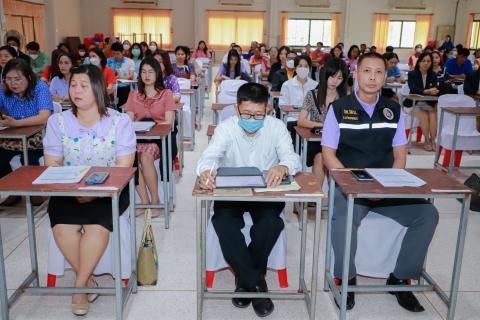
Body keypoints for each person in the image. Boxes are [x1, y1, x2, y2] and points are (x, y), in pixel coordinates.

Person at [322, 52, 439, 313]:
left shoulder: (392, 109)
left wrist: (387, 186)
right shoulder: (339, 109)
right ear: (356, 74)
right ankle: (346, 278)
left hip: (386, 187)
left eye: (378, 72)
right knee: (343, 218)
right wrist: (355, 186)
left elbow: (400, 155)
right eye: (366, 71)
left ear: (386, 76)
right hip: (350, 187)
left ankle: (400, 278)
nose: (372, 77)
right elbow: (328, 155)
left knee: (427, 213)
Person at [196, 82, 301, 318]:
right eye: (246, 114)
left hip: (266, 191)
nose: (252, 119)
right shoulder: (227, 127)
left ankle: (244, 281)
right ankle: (256, 284)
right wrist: (206, 171)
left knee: (272, 223)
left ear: (267, 109)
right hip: (232, 190)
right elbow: (210, 156)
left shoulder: (276, 127)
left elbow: (292, 157)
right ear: (236, 109)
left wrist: (283, 166)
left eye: (258, 114)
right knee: (222, 221)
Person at [43, 64, 136, 316]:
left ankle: (79, 285)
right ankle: (88, 280)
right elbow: (52, 164)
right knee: (61, 228)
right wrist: (75, 190)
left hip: (110, 191)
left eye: (84, 85)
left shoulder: (120, 121)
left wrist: (96, 192)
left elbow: (123, 167)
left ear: (98, 89)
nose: (76, 90)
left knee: (97, 226)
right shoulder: (57, 122)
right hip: (68, 189)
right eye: (73, 85)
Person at [125, 58, 177, 217]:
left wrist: (151, 128)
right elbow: (128, 121)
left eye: (151, 72)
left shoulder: (166, 94)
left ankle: (155, 201)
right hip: (138, 139)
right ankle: (144, 200)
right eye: (143, 72)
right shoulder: (133, 95)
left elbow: (168, 123)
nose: (147, 75)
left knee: (146, 158)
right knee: (130, 160)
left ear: (158, 74)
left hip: (160, 140)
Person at [0, 59, 53, 207]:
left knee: (29, 160)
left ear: (28, 78)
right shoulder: (3, 91)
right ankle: (13, 191)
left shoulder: (39, 87)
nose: (13, 83)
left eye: (17, 79)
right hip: (12, 139)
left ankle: (34, 192)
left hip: (38, 137)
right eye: (8, 79)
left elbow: (44, 117)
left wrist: (16, 123)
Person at [297, 58, 348, 186]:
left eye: (339, 78)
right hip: (317, 140)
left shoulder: (345, 98)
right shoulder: (312, 95)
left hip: (338, 141)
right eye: (332, 76)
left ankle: (334, 197)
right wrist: (325, 126)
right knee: (320, 157)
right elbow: (301, 120)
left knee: (333, 160)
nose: (334, 81)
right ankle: (316, 195)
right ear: (325, 74)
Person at [279, 54, 318, 146]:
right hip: (292, 118)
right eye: (300, 66)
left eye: (306, 66)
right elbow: (282, 105)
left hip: (310, 120)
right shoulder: (287, 85)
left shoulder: (315, 85)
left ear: (309, 68)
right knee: (294, 132)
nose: (303, 69)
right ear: (295, 68)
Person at [404, 52, 439, 151]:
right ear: (418, 62)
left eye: (428, 61)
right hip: (412, 103)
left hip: (426, 102)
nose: (426, 63)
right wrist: (427, 91)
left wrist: (434, 91)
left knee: (433, 115)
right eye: (423, 61)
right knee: (424, 116)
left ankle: (432, 140)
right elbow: (413, 88)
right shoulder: (412, 74)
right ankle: (427, 140)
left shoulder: (433, 75)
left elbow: (434, 87)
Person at [106, 42, 135, 107]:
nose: (115, 56)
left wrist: (120, 77)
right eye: (114, 54)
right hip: (111, 88)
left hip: (124, 87)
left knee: (122, 101)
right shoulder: (108, 61)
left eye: (118, 54)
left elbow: (131, 76)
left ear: (122, 52)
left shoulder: (129, 61)